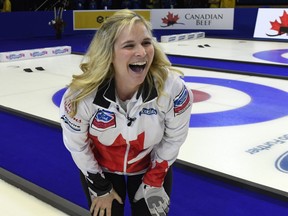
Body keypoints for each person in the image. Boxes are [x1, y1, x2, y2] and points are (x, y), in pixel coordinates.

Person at [59, 9, 193, 216]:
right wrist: (100, 188)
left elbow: (174, 138)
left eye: (146, 43)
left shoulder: (173, 89)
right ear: (108, 53)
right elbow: (77, 146)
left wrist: (155, 179)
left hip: (151, 166)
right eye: (129, 45)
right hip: (101, 169)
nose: (141, 52)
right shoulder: (80, 95)